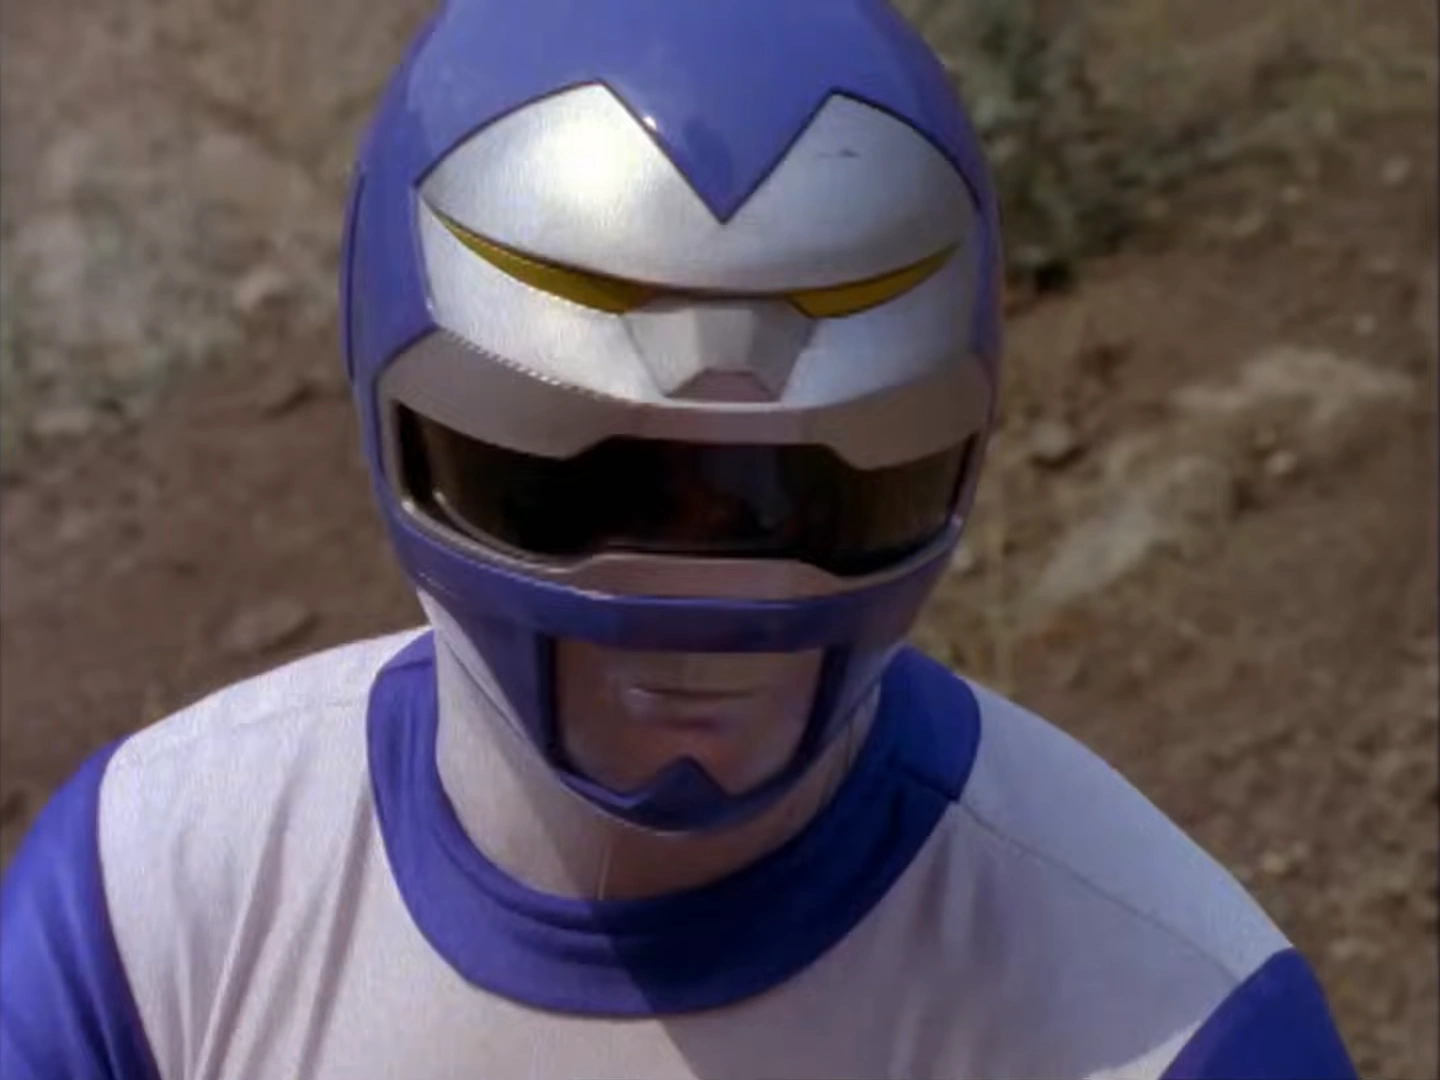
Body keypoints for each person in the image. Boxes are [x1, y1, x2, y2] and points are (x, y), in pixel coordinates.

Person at [0, 1, 1358, 1077]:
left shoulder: (1177, 1022)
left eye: (797, 502)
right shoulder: (147, 901)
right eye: (577, 491)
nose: (699, 613)